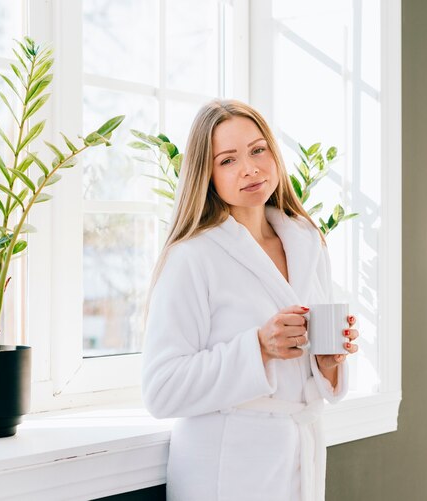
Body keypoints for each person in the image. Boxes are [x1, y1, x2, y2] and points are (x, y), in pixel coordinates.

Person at [141, 99, 360, 501]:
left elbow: (310, 373)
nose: (250, 168)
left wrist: (327, 364)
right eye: (228, 160)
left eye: (258, 150)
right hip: (227, 471)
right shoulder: (193, 257)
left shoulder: (306, 241)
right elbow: (161, 389)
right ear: (206, 175)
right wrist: (258, 348)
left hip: (297, 460)